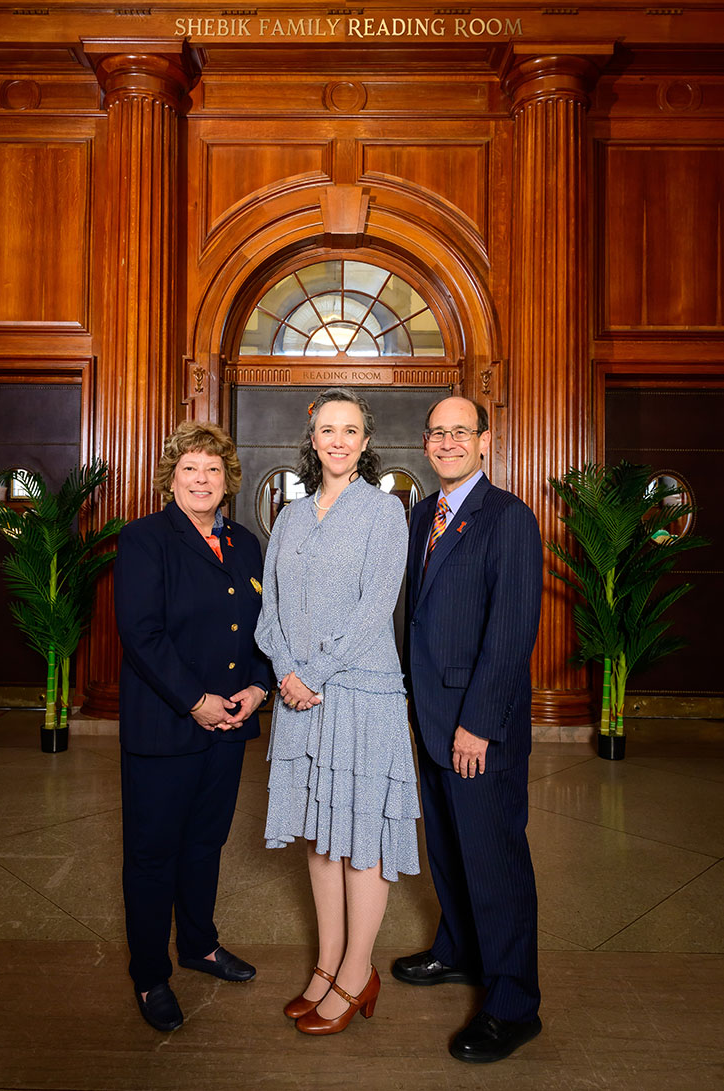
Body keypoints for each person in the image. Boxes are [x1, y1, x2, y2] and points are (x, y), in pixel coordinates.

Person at [255, 387, 419, 1036]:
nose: (339, 440)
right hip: (299, 695)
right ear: (313, 436)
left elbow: (374, 608)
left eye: (350, 429)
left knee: (361, 842)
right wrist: (284, 672)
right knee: (320, 840)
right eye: (328, 428)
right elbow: (269, 611)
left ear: (365, 439)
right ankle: (324, 967)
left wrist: (311, 674)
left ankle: (357, 972)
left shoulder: (384, 512)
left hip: (361, 694)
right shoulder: (291, 516)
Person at [393, 395, 544, 1064]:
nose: (447, 442)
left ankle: (513, 1004)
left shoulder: (507, 518)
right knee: (450, 852)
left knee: (493, 861)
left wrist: (477, 725)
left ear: (485, 440)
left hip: (475, 728)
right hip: (428, 718)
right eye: (437, 433)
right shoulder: (420, 514)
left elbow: (510, 632)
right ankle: (457, 951)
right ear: (425, 444)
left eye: (460, 431)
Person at [114, 421, 271, 1033]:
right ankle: (151, 974)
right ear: (171, 478)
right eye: (189, 469)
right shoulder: (145, 539)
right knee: (153, 856)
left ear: (228, 480)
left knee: (206, 843)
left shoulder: (247, 544)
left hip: (230, 726)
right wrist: (194, 699)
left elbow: (264, 627)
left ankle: (200, 946)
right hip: (166, 728)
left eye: (212, 470)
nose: (202, 480)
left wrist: (259, 686)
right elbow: (140, 633)